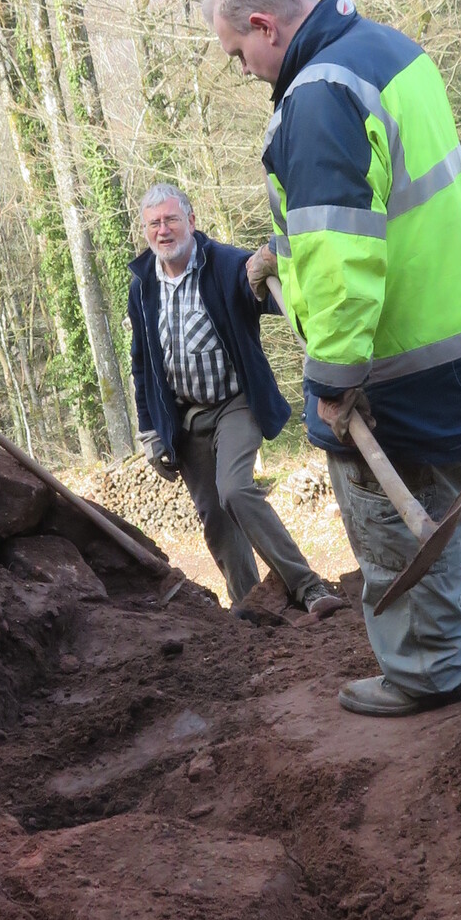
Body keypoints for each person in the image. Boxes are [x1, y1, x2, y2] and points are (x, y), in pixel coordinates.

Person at [204, 0, 461, 716]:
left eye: (239, 53)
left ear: (265, 26)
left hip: (400, 359)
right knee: (450, 503)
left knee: (390, 518)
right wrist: (280, 256)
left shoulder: (317, 97)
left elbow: (344, 260)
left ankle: (430, 669)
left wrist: (335, 379)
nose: (244, 70)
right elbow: (381, 206)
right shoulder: (388, 51)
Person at [127, 182, 344, 620]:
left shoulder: (225, 264)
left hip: (235, 402)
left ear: (191, 221)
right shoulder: (142, 285)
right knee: (214, 517)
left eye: (171, 220)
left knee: (235, 489)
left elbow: (268, 296)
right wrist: (150, 429)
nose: (163, 230)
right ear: (145, 231)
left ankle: (308, 587)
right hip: (184, 417)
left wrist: (272, 268)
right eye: (154, 224)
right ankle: (251, 606)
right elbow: (142, 362)